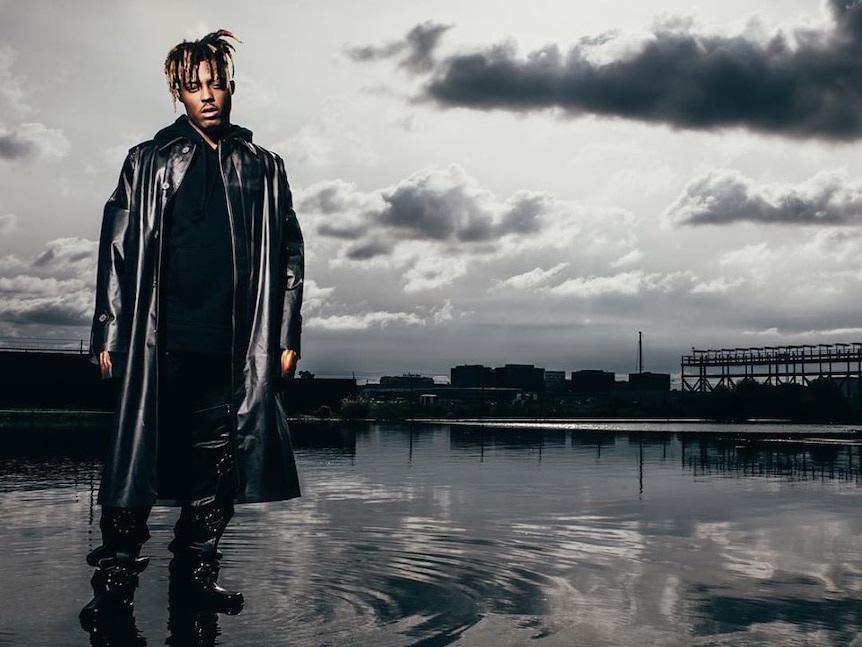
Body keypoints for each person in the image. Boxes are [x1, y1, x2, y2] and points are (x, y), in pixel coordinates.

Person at [81, 30, 304, 630]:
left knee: (221, 467)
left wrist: (285, 336)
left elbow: (288, 253)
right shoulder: (147, 160)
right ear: (178, 93)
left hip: (234, 349)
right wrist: (108, 332)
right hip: (160, 344)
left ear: (230, 87)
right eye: (192, 85)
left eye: (215, 83)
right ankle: (116, 584)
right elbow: (119, 249)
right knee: (136, 466)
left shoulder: (264, 167)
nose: (206, 95)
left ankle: (196, 575)